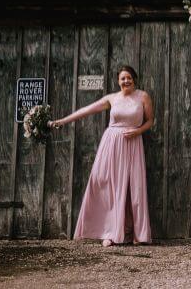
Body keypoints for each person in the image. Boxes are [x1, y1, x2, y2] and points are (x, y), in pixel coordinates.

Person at [51, 65, 153, 246]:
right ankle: (109, 232)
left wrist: (138, 132)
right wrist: (62, 121)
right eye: (122, 78)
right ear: (118, 81)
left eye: (129, 77)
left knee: (132, 188)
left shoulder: (143, 96)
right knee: (105, 183)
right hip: (111, 144)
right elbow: (86, 110)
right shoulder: (112, 98)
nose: (126, 81)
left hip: (132, 144)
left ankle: (133, 233)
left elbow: (150, 120)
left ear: (134, 79)